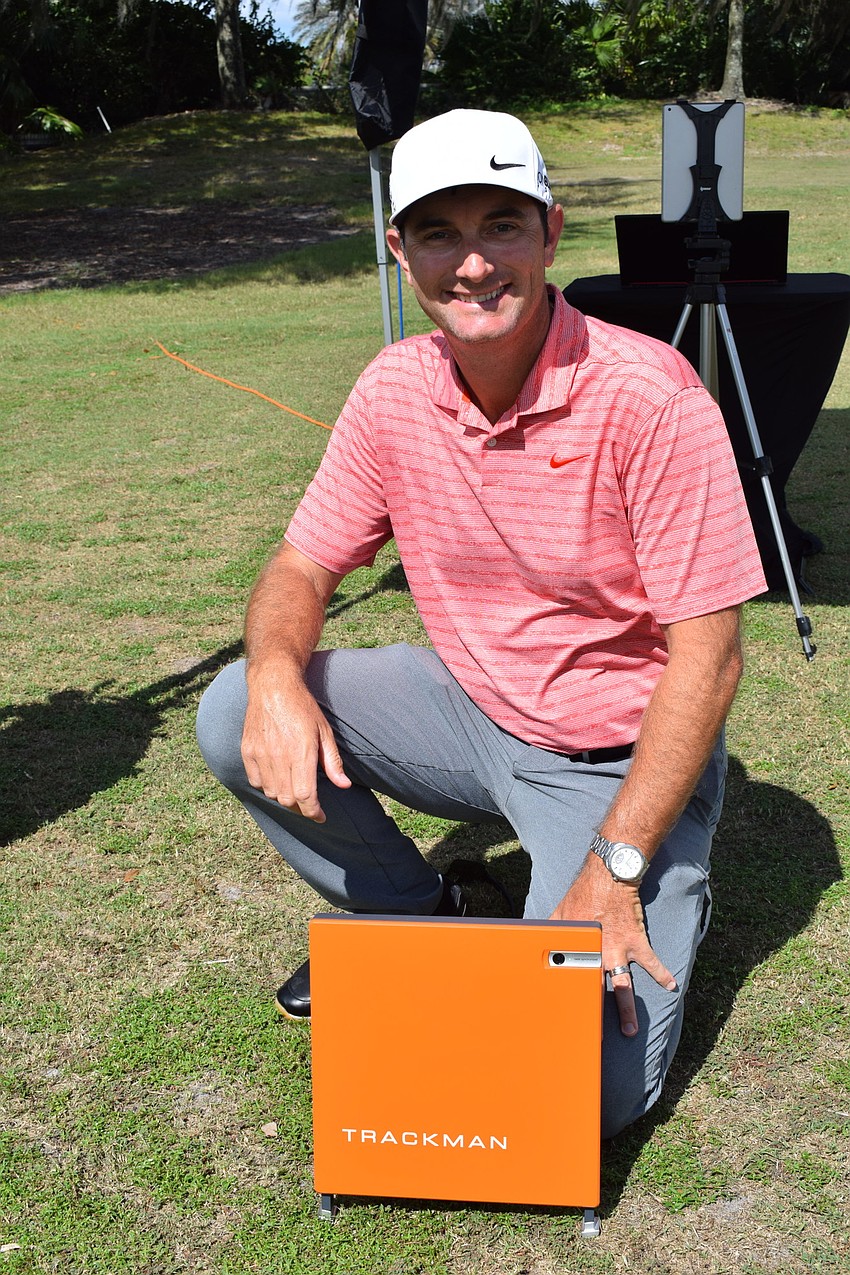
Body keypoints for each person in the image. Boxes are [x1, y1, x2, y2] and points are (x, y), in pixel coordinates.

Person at [196, 109, 767, 1139]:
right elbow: (301, 562)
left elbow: (711, 659)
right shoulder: (391, 389)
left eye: (501, 225)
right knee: (234, 703)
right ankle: (417, 925)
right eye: (437, 234)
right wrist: (279, 682)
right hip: (470, 710)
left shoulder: (651, 396)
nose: (471, 264)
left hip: (614, 764)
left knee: (582, 1100)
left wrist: (618, 863)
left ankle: (672, 872)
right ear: (398, 250)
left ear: (551, 234)